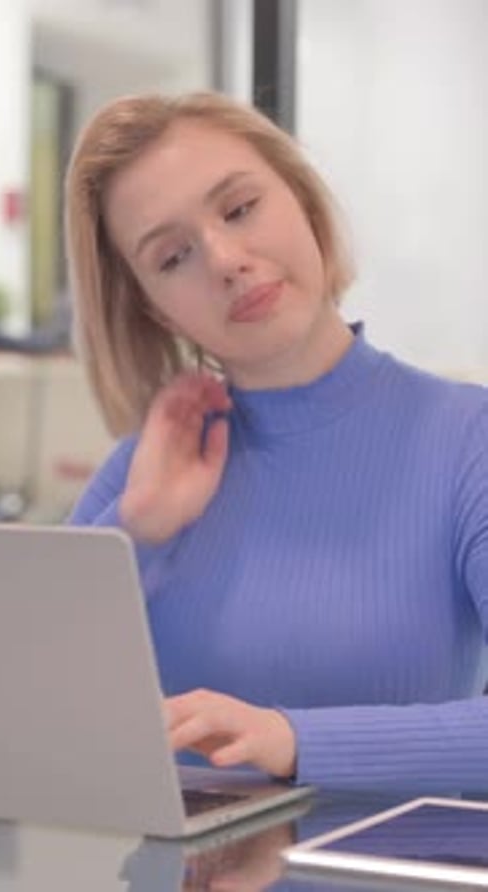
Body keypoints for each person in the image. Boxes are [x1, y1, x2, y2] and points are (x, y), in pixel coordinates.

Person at [65, 90, 488, 795]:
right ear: (149, 305)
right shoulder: (138, 481)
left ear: (301, 196)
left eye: (239, 209)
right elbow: (23, 721)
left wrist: (291, 740)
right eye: (173, 258)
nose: (227, 260)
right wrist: (135, 534)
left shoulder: (467, 440)